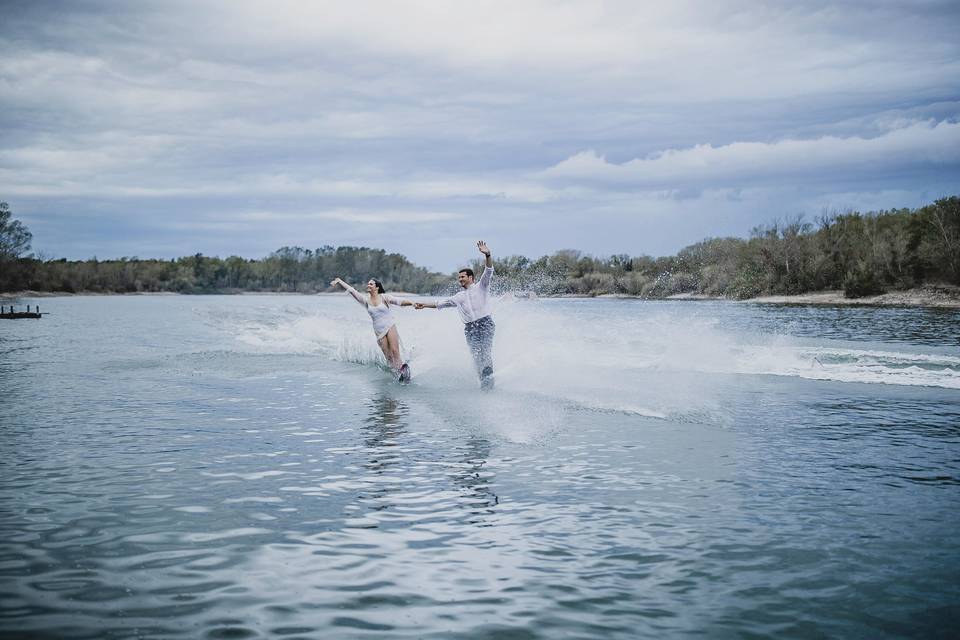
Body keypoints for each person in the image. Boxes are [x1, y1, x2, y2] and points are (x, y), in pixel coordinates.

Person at [415, 240, 496, 389]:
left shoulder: (482, 287)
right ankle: (483, 382)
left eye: (462, 277)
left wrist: (488, 255)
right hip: (470, 328)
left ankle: (489, 377)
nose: (460, 279)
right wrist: (424, 305)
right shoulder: (458, 296)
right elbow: (440, 304)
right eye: (459, 278)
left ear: (471, 278)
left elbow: (488, 271)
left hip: (485, 323)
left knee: (485, 350)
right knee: (476, 356)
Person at [330, 277, 413, 383]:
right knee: (388, 357)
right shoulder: (366, 300)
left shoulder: (384, 297)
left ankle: (403, 370)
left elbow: (399, 301)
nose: (368, 285)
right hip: (379, 331)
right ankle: (397, 373)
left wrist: (412, 303)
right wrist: (339, 281)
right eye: (368, 284)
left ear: (377, 287)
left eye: (371, 284)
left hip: (390, 326)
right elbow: (352, 291)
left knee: (395, 351)